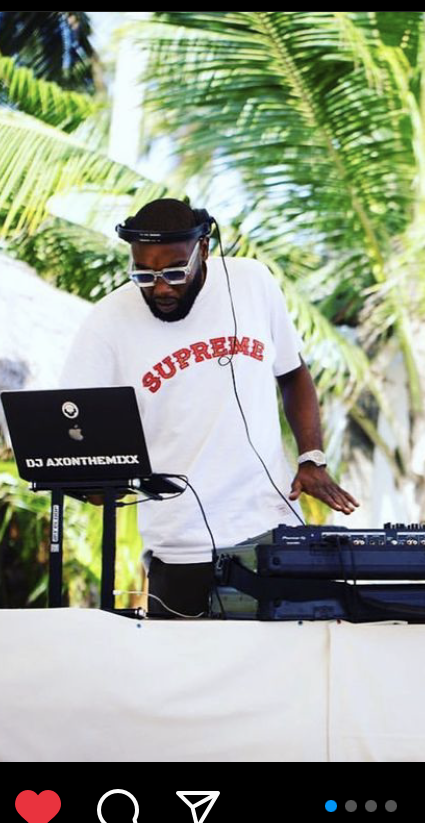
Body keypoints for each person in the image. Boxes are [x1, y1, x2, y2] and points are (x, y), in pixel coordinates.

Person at [59, 198, 358, 617]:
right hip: (180, 545)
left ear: (203, 248)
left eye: (174, 271)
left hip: (271, 530)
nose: (161, 288)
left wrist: (312, 456)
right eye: (144, 274)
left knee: (285, 657)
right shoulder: (108, 320)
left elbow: (293, 374)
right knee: (182, 660)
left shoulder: (252, 282)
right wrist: (95, 479)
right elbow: (71, 419)